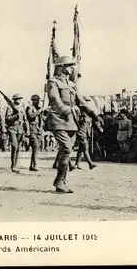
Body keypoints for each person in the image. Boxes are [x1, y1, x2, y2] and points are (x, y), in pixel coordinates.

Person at [46, 56, 102, 193]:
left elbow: (81, 101)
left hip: (71, 121)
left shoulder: (72, 84)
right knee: (66, 148)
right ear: (61, 67)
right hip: (58, 118)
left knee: (66, 150)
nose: (72, 68)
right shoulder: (53, 82)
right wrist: (65, 110)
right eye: (69, 66)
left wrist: (95, 115)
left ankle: (61, 181)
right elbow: (54, 98)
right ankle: (59, 181)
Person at [4, 93, 28, 173]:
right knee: (14, 146)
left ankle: (15, 165)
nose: (20, 100)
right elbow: (7, 119)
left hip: (20, 129)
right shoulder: (10, 108)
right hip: (12, 128)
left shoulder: (22, 108)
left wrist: (27, 130)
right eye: (18, 99)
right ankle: (13, 165)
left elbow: (25, 120)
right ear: (14, 100)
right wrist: (15, 117)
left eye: (20, 98)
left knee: (18, 148)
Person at [26, 94, 44, 171]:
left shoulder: (40, 108)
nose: (38, 101)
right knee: (35, 146)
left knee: (36, 148)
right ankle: (35, 165)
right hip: (32, 129)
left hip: (39, 130)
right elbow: (30, 116)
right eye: (37, 100)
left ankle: (32, 165)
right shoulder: (30, 107)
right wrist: (40, 111)